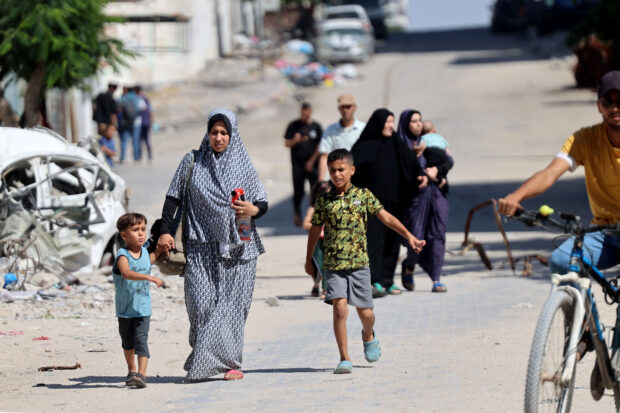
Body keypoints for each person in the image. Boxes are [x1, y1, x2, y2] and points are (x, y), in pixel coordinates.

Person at [498, 71, 620, 360]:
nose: (616, 107)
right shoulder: (585, 139)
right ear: (599, 105)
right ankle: (586, 330)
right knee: (562, 260)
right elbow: (551, 172)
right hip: (604, 232)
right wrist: (516, 197)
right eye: (609, 100)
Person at [157, 108, 268, 382]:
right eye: (214, 132)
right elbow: (173, 199)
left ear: (233, 135)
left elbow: (262, 203)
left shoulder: (243, 164)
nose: (218, 137)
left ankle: (229, 363)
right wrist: (164, 232)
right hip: (200, 245)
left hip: (239, 247)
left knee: (232, 307)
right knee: (199, 303)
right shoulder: (193, 161)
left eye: (224, 132)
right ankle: (205, 355)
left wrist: (253, 210)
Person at [305, 149, 425, 374]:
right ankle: (344, 358)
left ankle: (368, 334)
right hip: (334, 265)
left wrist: (409, 236)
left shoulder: (364, 196)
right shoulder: (325, 200)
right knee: (339, 308)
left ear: (352, 170)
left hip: (359, 264)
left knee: (366, 313)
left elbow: (386, 217)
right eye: (332, 170)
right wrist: (308, 259)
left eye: (341, 170)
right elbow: (315, 229)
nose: (336, 174)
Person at [351, 108, 427, 297]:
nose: (390, 126)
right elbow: (351, 170)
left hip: (395, 202)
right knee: (373, 242)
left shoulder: (396, 143)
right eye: (386, 122)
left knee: (392, 242)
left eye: (392, 122)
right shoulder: (364, 145)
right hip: (371, 205)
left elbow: (411, 164)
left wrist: (421, 176)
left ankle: (388, 280)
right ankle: (374, 280)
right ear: (378, 123)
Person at [398, 110, 454, 293]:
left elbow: (448, 160)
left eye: (420, 121)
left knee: (437, 234)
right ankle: (410, 265)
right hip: (415, 199)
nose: (418, 124)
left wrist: (438, 171)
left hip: (437, 193)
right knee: (416, 236)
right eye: (413, 121)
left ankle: (436, 278)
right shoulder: (402, 145)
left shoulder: (430, 143)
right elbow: (400, 172)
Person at [112, 212, 166, 389]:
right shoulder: (122, 255)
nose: (141, 233)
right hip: (125, 309)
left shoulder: (144, 252)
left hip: (143, 309)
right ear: (124, 235)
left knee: (141, 340)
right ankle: (132, 370)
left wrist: (158, 251)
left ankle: (141, 375)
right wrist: (149, 278)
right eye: (136, 230)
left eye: (143, 229)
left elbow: (148, 261)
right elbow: (126, 273)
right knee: (128, 343)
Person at [284, 102, 323, 226]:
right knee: (298, 191)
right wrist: (296, 140)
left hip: (312, 164)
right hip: (297, 164)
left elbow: (320, 145)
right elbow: (286, 143)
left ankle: (313, 214)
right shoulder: (294, 125)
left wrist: (311, 161)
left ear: (310, 111)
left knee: (315, 190)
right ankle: (297, 213)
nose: (304, 115)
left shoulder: (316, 127)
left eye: (306, 112)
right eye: (302, 112)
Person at [317, 94, 366, 181]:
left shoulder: (363, 129)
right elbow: (324, 156)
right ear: (339, 108)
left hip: (359, 178)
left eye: (348, 106)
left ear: (354, 107)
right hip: (337, 179)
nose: (345, 110)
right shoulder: (330, 131)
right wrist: (321, 182)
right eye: (343, 107)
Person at [302, 180, 332, 298]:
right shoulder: (313, 208)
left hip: (329, 240)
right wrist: (318, 226)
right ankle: (316, 285)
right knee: (318, 265)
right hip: (317, 242)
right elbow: (306, 224)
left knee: (328, 264)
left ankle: (325, 289)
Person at [419, 120, 451, 188]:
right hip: (441, 155)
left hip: (430, 155)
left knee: (431, 168)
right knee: (440, 168)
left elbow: (421, 148)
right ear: (434, 129)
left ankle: (439, 180)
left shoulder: (422, 138)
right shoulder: (440, 137)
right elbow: (447, 152)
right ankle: (442, 180)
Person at [119, 87, 145, 163]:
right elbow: (143, 108)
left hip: (125, 122)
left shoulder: (124, 98)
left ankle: (123, 157)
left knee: (124, 140)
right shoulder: (138, 98)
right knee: (135, 140)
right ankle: (136, 158)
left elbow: (119, 108)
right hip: (136, 122)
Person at [136, 85, 153, 161]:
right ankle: (148, 156)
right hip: (145, 123)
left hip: (141, 123)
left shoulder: (139, 99)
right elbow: (150, 112)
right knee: (145, 140)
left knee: (141, 140)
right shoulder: (145, 98)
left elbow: (149, 111)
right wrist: (150, 122)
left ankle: (142, 156)